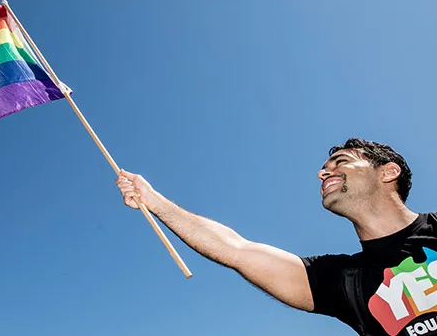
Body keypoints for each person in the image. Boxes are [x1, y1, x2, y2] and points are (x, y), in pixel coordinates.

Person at [116, 138, 437, 336]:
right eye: (324, 168)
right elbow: (237, 250)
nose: (322, 173)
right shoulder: (344, 281)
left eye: (341, 162)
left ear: (388, 172)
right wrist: (154, 201)